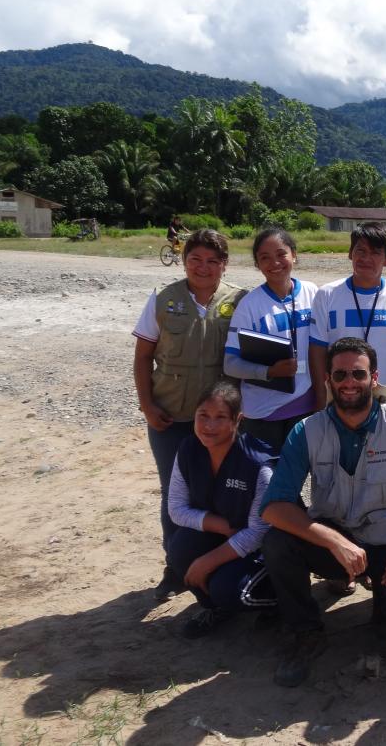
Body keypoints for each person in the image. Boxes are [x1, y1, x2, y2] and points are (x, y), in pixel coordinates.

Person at [260, 337, 386, 687]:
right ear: (328, 380)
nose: (349, 382)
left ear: (373, 378)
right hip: (337, 542)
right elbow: (274, 507)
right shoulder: (307, 431)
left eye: (358, 374)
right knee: (277, 542)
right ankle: (304, 631)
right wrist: (332, 540)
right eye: (341, 374)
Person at [132, 229, 245, 602]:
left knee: (220, 493)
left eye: (213, 260)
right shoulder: (163, 300)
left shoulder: (239, 301)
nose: (204, 267)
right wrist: (147, 406)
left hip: (220, 421)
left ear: (224, 264)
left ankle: (220, 563)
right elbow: (143, 357)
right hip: (171, 417)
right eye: (196, 259)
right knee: (174, 494)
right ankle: (175, 567)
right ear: (184, 261)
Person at [166, 380, 276, 638]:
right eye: (203, 416)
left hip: (263, 547)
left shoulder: (258, 465)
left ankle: (281, 600)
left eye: (220, 417)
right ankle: (215, 608)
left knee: (229, 589)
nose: (209, 426)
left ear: (238, 420)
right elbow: (176, 508)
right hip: (228, 532)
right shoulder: (188, 449)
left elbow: (259, 532)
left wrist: (207, 562)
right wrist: (221, 526)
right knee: (179, 551)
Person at [223, 228, 319, 455]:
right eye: (264, 258)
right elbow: (230, 364)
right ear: (257, 264)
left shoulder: (313, 292)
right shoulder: (249, 305)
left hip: (306, 407)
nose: (274, 262)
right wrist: (269, 371)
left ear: (293, 255)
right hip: (264, 412)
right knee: (268, 481)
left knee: (297, 478)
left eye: (281, 254)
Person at [309, 222, 386, 408]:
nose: (366, 258)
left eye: (375, 253)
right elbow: (317, 351)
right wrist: (320, 399)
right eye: (360, 251)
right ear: (350, 253)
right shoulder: (326, 295)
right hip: (340, 397)